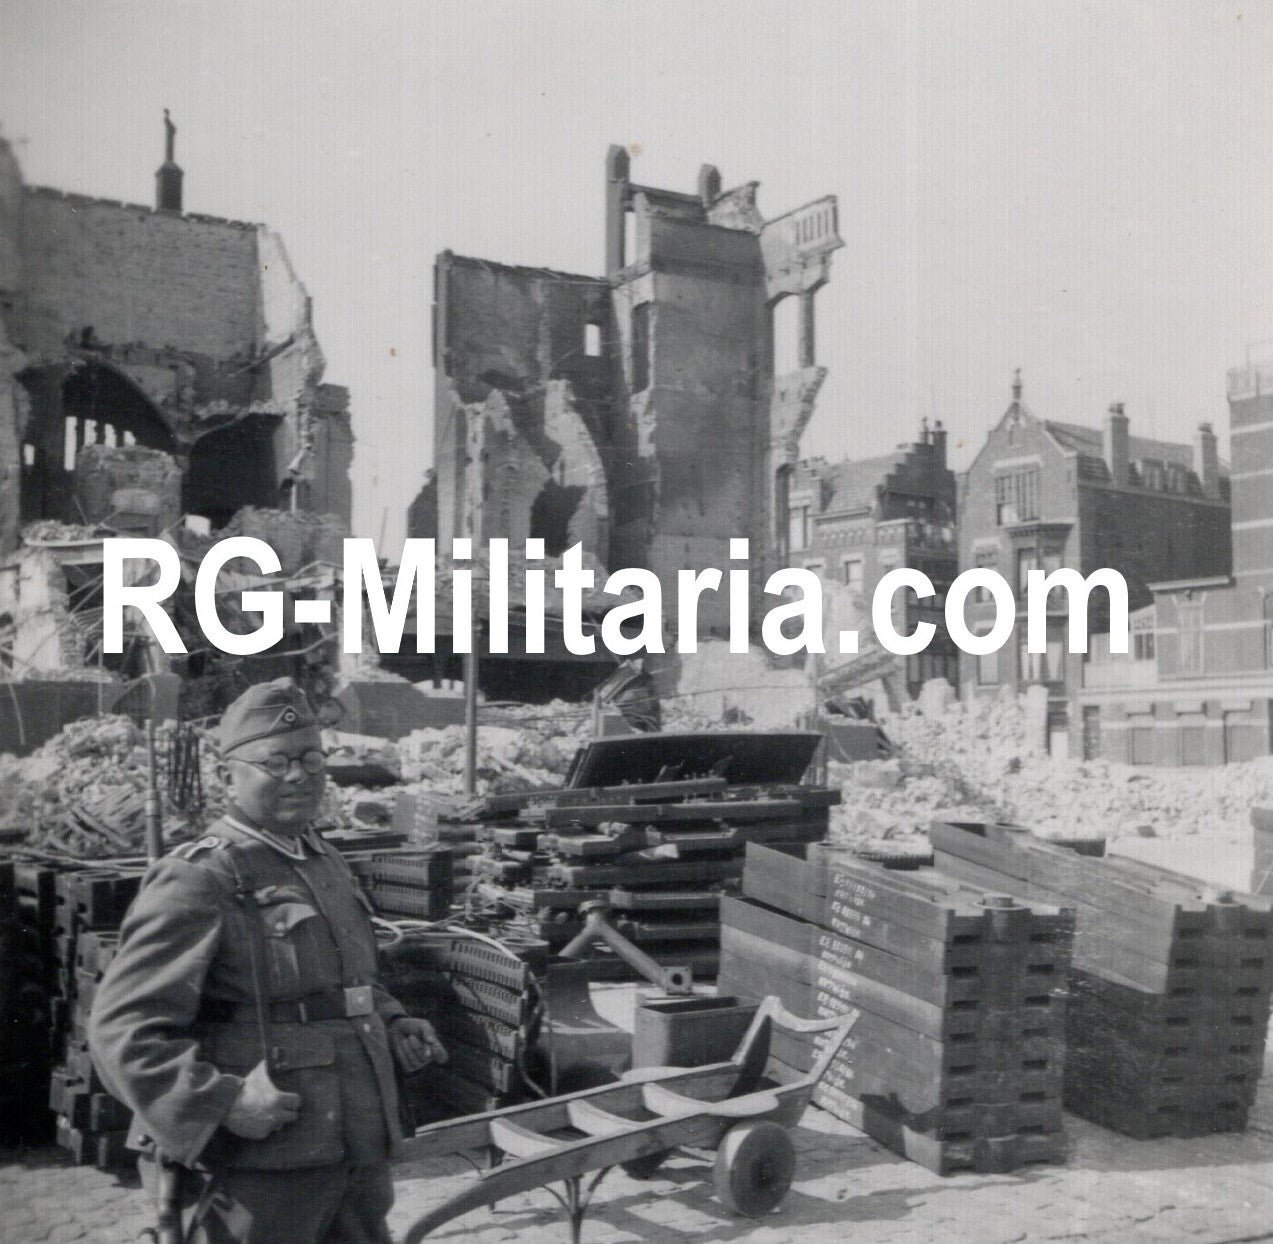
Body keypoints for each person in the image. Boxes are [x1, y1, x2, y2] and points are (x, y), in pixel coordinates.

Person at [89, 678, 446, 1244]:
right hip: (263, 1162)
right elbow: (121, 1030)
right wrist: (220, 1101)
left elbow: (345, 979)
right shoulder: (201, 878)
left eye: (310, 758)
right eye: (275, 762)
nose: (298, 775)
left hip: (354, 1139)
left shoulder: (323, 858)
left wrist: (394, 1018)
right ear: (230, 775)